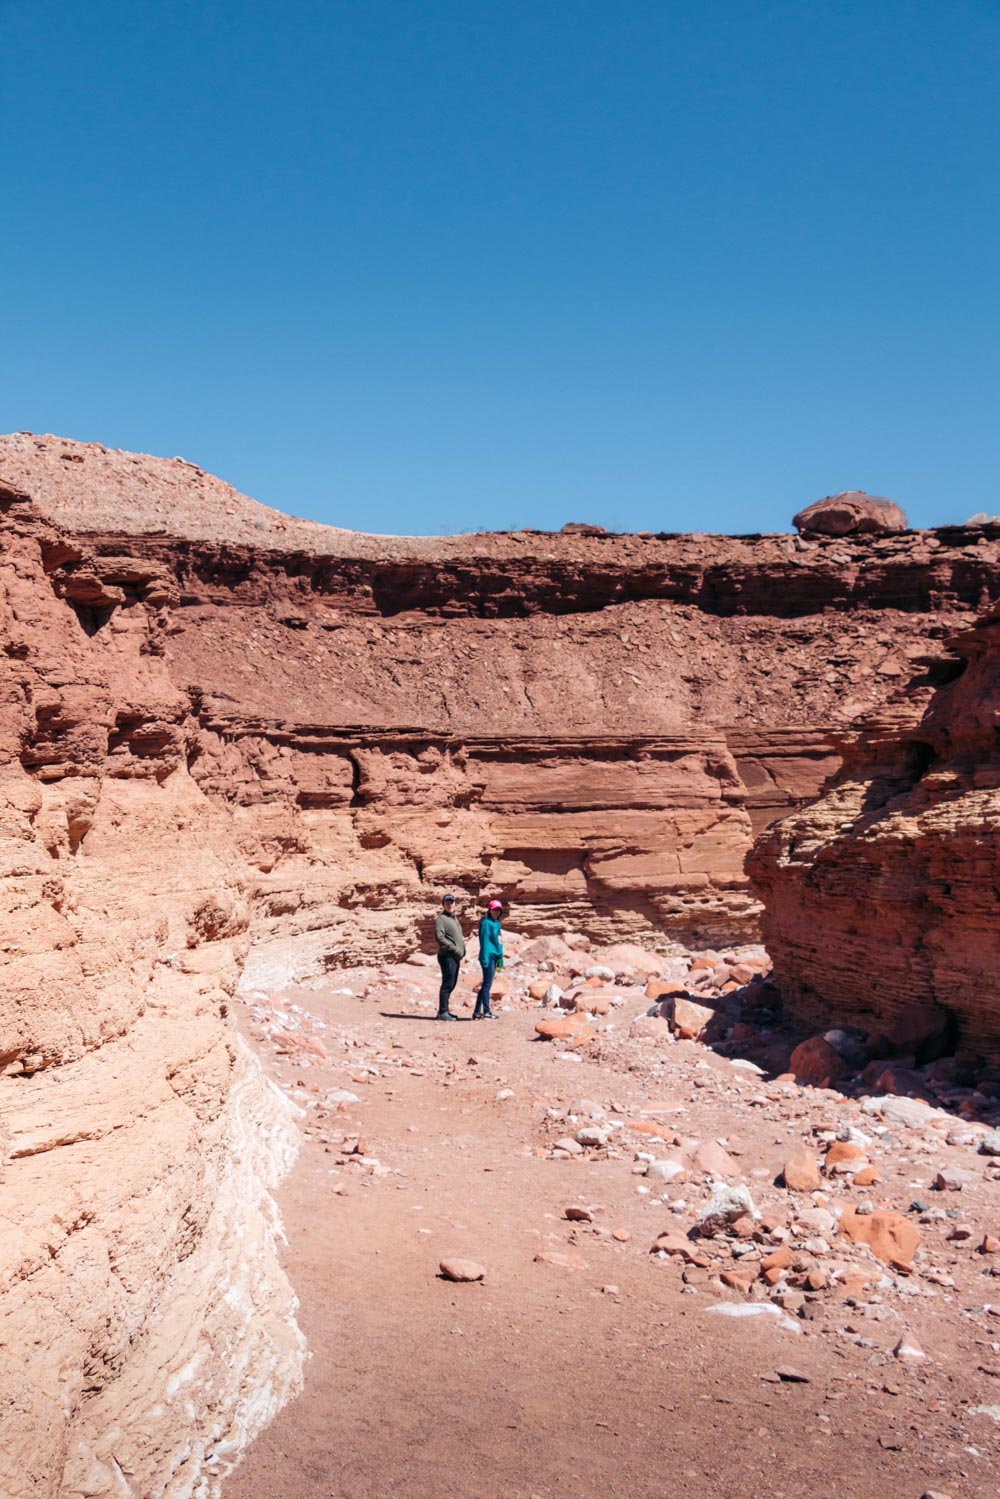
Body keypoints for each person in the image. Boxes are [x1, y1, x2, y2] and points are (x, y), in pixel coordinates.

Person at [433, 893, 465, 1021]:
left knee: (452, 984)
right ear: (443, 905)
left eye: (451, 902)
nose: (449, 905)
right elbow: (439, 937)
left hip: (454, 956)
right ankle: (442, 1012)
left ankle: (445, 1011)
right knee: (447, 984)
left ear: (455, 904)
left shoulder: (453, 918)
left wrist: (462, 950)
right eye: (447, 903)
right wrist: (455, 949)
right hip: (447, 956)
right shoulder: (441, 919)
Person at [474, 899, 504, 1019]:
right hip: (488, 956)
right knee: (487, 985)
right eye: (494, 909)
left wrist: (500, 956)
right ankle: (486, 1011)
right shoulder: (486, 923)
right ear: (489, 909)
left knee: (486, 984)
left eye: (498, 909)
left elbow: (499, 941)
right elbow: (484, 941)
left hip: (495, 955)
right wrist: (485, 958)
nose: (496, 911)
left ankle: (477, 1012)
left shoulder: (497, 923)